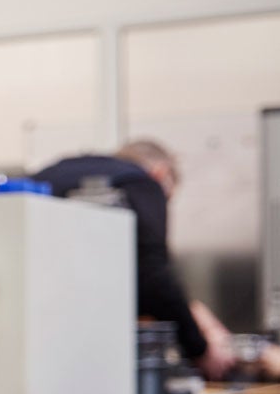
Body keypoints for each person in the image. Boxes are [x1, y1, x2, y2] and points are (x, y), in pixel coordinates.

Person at [33, 140, 233, 381]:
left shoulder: (51, 173)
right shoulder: (143, 183)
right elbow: (153, 277)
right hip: (78, 355)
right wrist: (200, 350)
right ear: (161, 172)